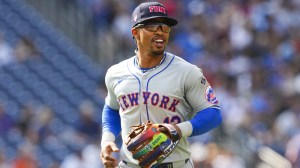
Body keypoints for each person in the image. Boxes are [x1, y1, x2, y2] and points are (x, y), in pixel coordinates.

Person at [100, 2, 222, 168]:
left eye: (164, 27)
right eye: (152, 26)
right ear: (135, 32)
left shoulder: (187, 71)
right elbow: (112, 108)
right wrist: (107, 139)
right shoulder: (116, 73)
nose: (160, 32)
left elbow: (213, 113)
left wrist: (180, 129)